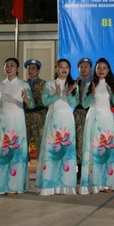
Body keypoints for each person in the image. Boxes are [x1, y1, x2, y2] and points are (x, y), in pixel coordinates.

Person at [0, 57, 34, 195]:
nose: (9, 68)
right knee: (0, 153)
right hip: (2, 122)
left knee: (16, 154)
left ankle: (14, 186)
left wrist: (26, 100)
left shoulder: (24, 85)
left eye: (12, 65)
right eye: (7, 65)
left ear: (17, 69)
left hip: (17, 122)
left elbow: (32, 105)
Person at [35, 59, 79, 195]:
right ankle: (50, 185)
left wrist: (69, 92)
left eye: (67, 67)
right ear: (56, 69)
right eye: (61, 67)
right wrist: (57, 94)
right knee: (52, 150)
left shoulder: (73, 85)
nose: (64, 69)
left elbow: (74, 102)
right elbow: (45, 101)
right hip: (54, 118)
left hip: (67, 119)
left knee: (66, 151)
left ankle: (65, 185)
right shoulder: (49, 84)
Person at [79, 57, 114, 194]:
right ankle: (93, 183)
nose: (101, 70)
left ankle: (107, 183)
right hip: (93, 118)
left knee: (106, 149)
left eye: (104, 68)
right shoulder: (89, 84)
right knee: (93, 150)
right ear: (94, 70)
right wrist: (91, 94)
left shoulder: (111, 85)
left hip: (107, 119)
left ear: (108, 70)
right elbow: (84, 104)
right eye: (98, 68)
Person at [24, 59, 47, 160]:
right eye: (29, 68)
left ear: (38, 71)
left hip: (39, 116)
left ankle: (42, 169)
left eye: (33, 68)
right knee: (23, 142)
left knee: (41, 143)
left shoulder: (44, 84)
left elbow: (46, 101)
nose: (31, 70)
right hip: (25, 116)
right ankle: (23, 169)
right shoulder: (23, 84)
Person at [74, 57, 93, 178]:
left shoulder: (95, 82)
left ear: (91, 68)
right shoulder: (76, 82)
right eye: (81, 67)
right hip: (79, 113)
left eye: (86, 66)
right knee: (79, 141)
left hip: (91, 112)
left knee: (92, 139)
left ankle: (92, 167)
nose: (84, 69)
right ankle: (80, 168)